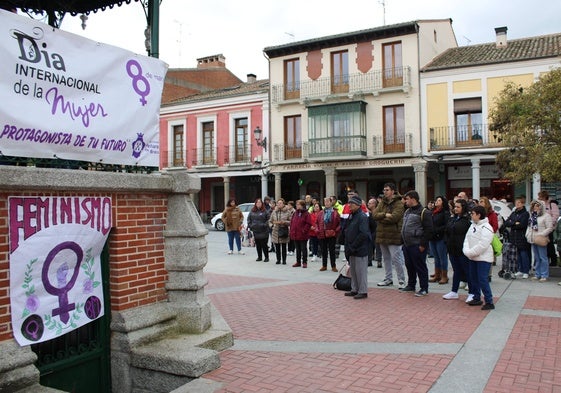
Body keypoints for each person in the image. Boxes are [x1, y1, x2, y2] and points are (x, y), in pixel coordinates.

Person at [400, 190, 433, 297]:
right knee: (409, 265)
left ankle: (424, 288)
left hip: (417, 244)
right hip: (407, 244)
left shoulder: (424, 212)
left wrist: (423, 245)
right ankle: (411, 284)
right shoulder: (407, 211)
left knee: (420, 266)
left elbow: (429, 230)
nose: (405, 201)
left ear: (413, 199)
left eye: (407, 199)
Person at [373, 182, 406, 288]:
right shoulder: (382, 202)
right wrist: (384, 215)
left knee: (396, 259)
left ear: (392, 191)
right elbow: (374, 214)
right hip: (382, 235)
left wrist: (381, 218)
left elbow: (395, 217)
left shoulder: (399, 203)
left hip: (394, 235)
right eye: (384, 190)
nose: (385, 192)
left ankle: (401, 280)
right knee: (386, 258)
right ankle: (388, 278)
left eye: (387, 190)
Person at [463, 205, 495, 310]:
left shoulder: (487, 227)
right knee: (473, 278)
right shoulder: (472, 225)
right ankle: (477, 297)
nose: (471, 215)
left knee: (482, 279)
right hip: (472, 257)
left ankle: (489, 301)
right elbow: (467, 239)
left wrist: (471, 252)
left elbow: (483, 244)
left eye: (472, 214)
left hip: (483, 258)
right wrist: (467, 251)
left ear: (479, 215)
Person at [442, 199, 472, 300]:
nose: (455, 209)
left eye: (458, 207)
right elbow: (447, 231)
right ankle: (454, 291)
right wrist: (447, 242)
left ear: (463, 208)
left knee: (467, 271)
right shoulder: (452, 219)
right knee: (456, 270)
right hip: (452, 249)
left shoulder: (467, 220)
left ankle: (472, 293)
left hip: (462, 250)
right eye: (455, 207)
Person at [343, 195, 370, 299]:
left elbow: (363, 234)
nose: (349, 205)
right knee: (353, 270)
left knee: (361, 271)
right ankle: (354, 289)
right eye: (349, 203)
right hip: (351, 247)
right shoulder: (351, 215)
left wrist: (354, 245)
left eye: (352, 204)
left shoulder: (362, 216)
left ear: (358, 205)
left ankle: (363, 291)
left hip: (359, 248)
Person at [526, 200, 554, 281]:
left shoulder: (546, 216)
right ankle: (537, 274)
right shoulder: (532, 216)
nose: (535, 207)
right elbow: (529, 226)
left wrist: (542, 234)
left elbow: (550, 227)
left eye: (537, 206)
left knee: (543, 257)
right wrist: (527, 235)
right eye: (534, 206)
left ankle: (544, 275)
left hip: (541, 238)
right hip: (533, 238)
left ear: (541, 207)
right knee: (537, 258)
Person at [504, 196, 531, 279]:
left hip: (521, 236)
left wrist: (514, 223)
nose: (517, 204)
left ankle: (526, 271)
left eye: (519, 202)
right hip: (514, 236)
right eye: (516, 202)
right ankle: (520, 269)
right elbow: (507, 222)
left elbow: (522, 225)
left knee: (524, 253)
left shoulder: (525, 213)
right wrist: (514, 223)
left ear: (522, 204)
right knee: (517, 254)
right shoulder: (514, 213)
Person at [428, 196, 450, 284]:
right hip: (432, 237)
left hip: (440, 237)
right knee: (436, 257)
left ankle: (444, 276)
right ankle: (437, 274)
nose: (437, 201)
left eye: (439, 200)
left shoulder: (445, 213)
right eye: (436, 200)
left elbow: (447, 225)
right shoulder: (433, 212)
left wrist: (437, 230)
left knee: (442, 257)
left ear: (443, 202)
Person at [317, 197, 341, 272]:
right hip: (322, 233)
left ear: (331, 203)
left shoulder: (335, 212)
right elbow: (317, 223)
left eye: (328, 202)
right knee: (323, 250)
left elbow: (340, 224)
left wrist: (335, 231)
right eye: (325, 202)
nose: (326, 203)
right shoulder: (321, 212)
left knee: (332, 250)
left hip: (332, 234)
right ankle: (324, 265)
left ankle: (333, 266)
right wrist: (317, 230)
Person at [538, 190, 560, 266]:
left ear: (544, 197)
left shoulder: (552, 204)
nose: (539, 198)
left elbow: (555, 215)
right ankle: (545, 260)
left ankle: (553, 260)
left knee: (549, 244)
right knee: (542, 244)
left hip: (549, 228)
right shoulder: (540, 205)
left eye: (540, 197)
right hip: (541, 228)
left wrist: (549, 224)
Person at [289, 200, 312, 268]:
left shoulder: (306, 213)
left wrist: (304, 231)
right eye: (297, 204)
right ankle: (298, 262)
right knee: (297, 249)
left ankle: (304, 262)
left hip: (303, 234)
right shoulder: (295, 213)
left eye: (298, 204)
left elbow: (308, 224)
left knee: (303, 249)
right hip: (295, 234)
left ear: (302, 205)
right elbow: (292, 222)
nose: (297, 206)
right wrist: (291, 230)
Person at [247, 198, 271, 262]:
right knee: (258, 245)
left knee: (264, 245)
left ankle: (266, 257)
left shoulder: (265, 211)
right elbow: (249, 219)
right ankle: (259, 257)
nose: (258, 204)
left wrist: (264, 225)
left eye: (259, 202)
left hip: (264, 231)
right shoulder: (252, 211)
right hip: (255, 231)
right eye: (257, 203)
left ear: (262, 203)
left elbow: (269, 220)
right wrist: (251, 225)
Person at [269, 198, 292, 264]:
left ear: (283, 204)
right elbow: (270, 221)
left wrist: (285, 222)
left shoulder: (287, 212)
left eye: (280, 203)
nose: (279, 204)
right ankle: (278, 259)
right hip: (275, 231)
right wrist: (272, 226)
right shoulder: (274, 212)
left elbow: (291, 221)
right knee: (277, 247)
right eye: (278, 203)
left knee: (284, 246)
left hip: (283, 230)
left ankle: (284, 260)